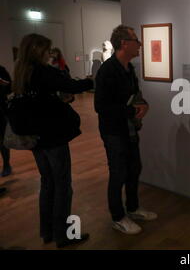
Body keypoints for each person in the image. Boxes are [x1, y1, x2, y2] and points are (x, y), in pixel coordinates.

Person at [12, 34, 93, 248]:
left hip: (36, 139)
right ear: (38, 50)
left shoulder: (21, 73)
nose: (50, 53)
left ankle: (47, 232)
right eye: (47, 50)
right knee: (63, 186)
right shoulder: (43, 72)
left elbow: (41, 100)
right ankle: (63, 235)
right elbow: (73, 86)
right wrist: (92, 80)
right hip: (52, 137)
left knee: (47, 183)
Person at [95, 25, 157, 235]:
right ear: (124, 43)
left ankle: (132, 208)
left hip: (129, 129)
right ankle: (118, 217)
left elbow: (136, 94)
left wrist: (143, 104)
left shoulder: (129, 69)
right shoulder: (107, 70)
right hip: (114, 131)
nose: (139, 44)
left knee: (134, 169)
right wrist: (131, 109)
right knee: (118, 173)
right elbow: (100, 107)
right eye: (135, 40)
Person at [0, 65, 12, 177]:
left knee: (2, 141)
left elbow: (10, 87)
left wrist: (3, 83)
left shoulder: (1, 70)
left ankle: (6, 165)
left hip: (1, 111)